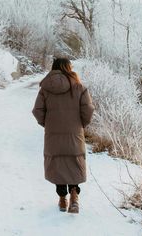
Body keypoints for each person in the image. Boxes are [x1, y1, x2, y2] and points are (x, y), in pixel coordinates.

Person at [32, 58, 95, 214]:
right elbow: (88, 110)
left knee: (58, 164)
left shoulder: (45, 88)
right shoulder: (79, 87)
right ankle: (74, 196)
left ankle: (62, 199)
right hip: (74, 134)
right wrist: (81, 125)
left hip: (53, 135)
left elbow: (37, 111)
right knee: (74, 162)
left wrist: (48, 124)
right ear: (68, 68)